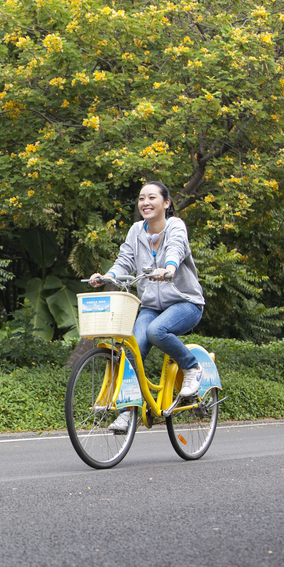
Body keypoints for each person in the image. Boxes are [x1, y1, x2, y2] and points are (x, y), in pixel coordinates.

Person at [89, 180, 205, 432]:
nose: (145, 203)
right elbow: (125, 260)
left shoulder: (175, 226)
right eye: (142, 198)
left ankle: (192, 367)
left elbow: (176, 249)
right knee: (132, 352)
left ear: (166, 203)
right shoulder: (136, 231)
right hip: (152, 306)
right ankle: (128, 413)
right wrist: (107, 276)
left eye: (152, 197)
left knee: (156, 331)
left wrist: (169, 268)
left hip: (186, 302)